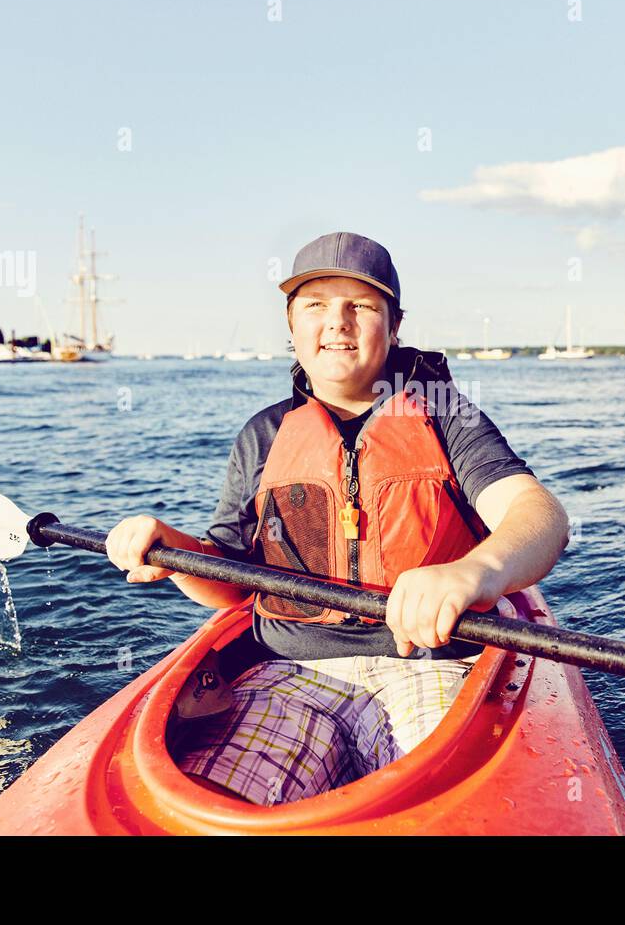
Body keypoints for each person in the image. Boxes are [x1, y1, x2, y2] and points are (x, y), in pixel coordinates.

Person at [105, 231, 570, 805]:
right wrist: (169, 548)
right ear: (292, 325)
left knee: (443, 804)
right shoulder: (264, 435)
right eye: (315, 305)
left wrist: (474, 572)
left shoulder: (448, 417)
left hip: (432, 665)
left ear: (395, 326)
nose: (337, 322)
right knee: (218, 803)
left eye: (361, 306)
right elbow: (227, 582)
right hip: (288, 671)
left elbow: (539, 515)